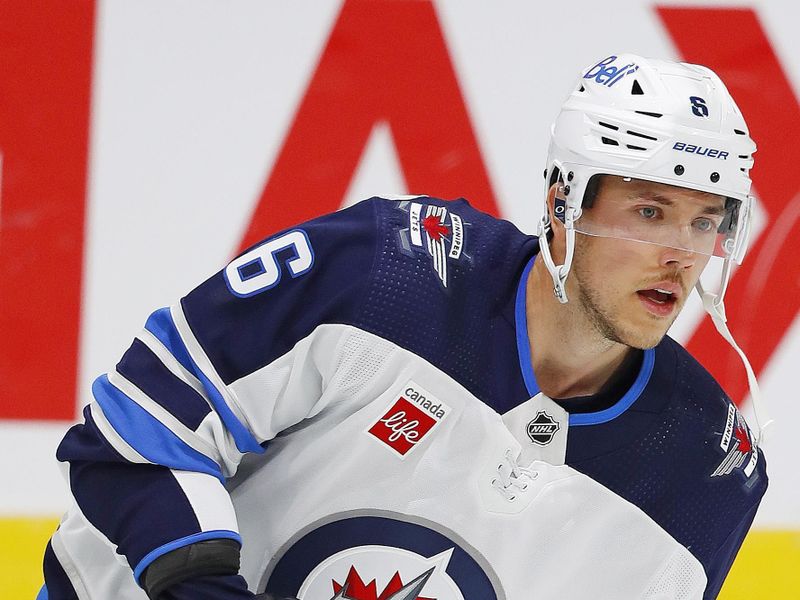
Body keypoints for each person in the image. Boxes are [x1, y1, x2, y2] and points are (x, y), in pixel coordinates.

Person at [40, 54, 768, 600]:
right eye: (650, 213)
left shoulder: (705, 473)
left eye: (706, 222)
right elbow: (132, 439)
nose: (682, 254)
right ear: (561, 203)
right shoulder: (381, 274)